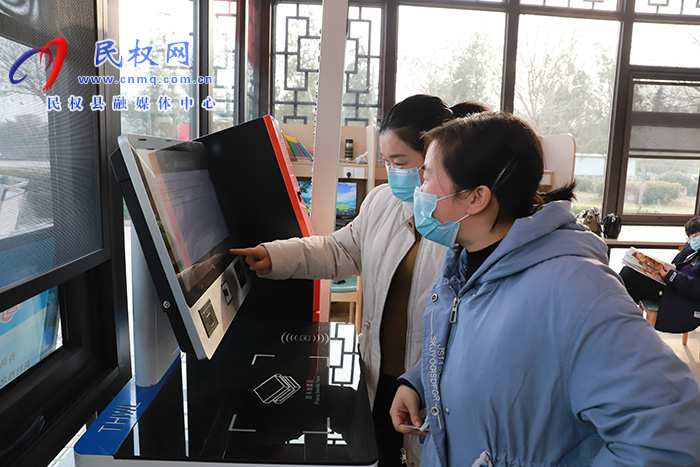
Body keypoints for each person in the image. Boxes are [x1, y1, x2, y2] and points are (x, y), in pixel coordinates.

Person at [390, 112, 700, 466]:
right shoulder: (464, 266)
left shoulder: (579, 291)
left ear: (476, 197)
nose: (419, 189)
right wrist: (418, 382)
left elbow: (669, 435)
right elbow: (484, 348)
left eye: (427, 176)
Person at [231, 95, 488, 467]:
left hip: (434, 386)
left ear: (435, 157)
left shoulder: (464, 223)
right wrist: (274, 255)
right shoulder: (382, 202)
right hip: (378, 376)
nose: (391, 172)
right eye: (385, 161)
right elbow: (340, 250)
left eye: (399, 163)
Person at [620, 216, 700, 333]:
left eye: (695, 236)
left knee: (629, 276)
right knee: (629, 273)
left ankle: (619, 322)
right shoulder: (693, 250)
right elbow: (677, 265)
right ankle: (623, 323)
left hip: (681, 298)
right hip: (672, 286)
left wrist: (672, 276)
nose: (691, 240)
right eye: (690, 237)